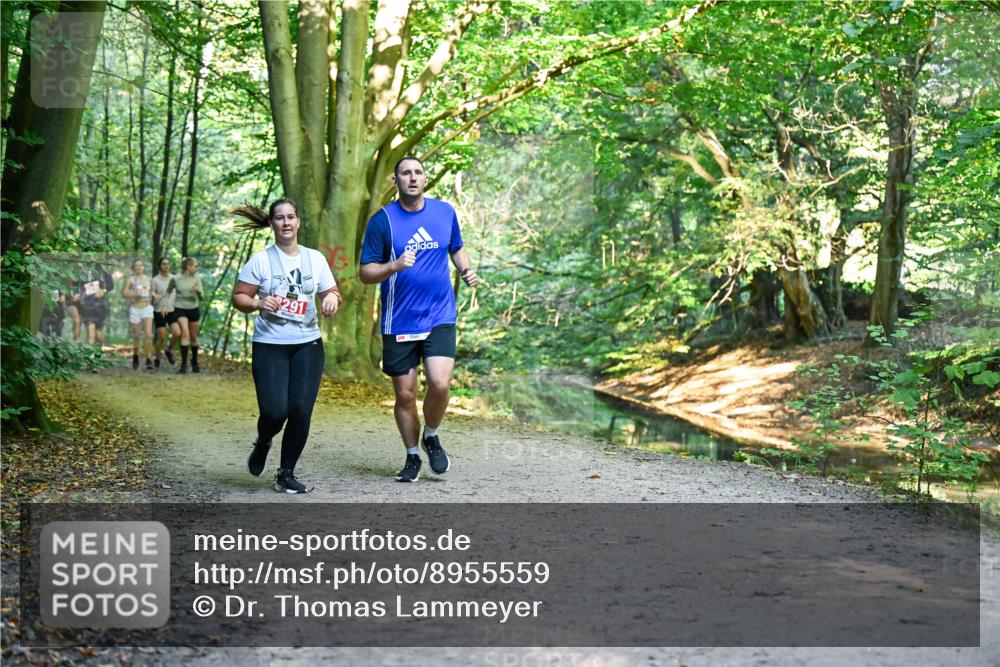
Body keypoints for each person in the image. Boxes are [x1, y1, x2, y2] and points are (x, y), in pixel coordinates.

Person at [359, 156, 479, 482]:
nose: (412, 178)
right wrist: (393, 266)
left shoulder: (444, 213)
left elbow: (457, 247)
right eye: (405, 173)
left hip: (440, 314)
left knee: (440, 383)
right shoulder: (382, 221)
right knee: (406, 394)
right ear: (395, 181)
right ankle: (412, 456)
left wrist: (465, 268)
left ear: (425, 179)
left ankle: (432, 435)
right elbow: (366, 272)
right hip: (399, 320)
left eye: (418, 173)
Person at [230, 199, 341, 494]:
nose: (286, 223)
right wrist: (257, 302)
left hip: (308, 343)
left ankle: (285, 473)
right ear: (272, 224)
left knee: (301, 411)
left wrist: (331, 298)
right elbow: (239, 296)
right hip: (270, 345)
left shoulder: (315, 259)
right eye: (279, 218)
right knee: (275, 412)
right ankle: (264, 440)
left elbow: (331, 291)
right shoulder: (261, 260)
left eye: (291, 217)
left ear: (298, 221)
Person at [123, 258, 155, 370]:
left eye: (141, 265)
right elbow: (124, 293)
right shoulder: (131, 280)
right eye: (136, 265)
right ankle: (136, 356)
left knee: (148, 334)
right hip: (135, 309)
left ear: (143, 267)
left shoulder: (149, 280)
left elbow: (153, 293)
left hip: (147, 308)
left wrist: (154, 295)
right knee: (137, 336)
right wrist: (133, 294)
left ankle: (149, 359)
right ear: (133, 268)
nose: (139, 267)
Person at [173, 257, 204, 373]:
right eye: (195, 266)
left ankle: (194, 361)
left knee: (194, 337)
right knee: (185, 334)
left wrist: (198, 291)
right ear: (188, 266)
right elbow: (168, 292)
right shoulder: (176, 278)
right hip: (180, 308)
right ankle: (184, 364)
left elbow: (202, 297)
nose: (197, 268)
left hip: (193, 309)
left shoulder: (197, 278)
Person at [77, 261, 113, 349]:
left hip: (100, 306)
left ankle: (101, 350)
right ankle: (90, 359)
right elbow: (75, 284)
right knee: (90, 332)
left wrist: (104, 291)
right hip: (87, 305)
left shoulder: (104, 269)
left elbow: (111, 285)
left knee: (98, 334)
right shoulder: (81, 268)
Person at [151, 257, 180, 367]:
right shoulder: (155, 280)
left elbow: (178, 293)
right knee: (162, 336)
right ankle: (157, 356)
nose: (166, 266)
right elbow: (152, 294)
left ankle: (169, 350)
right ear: (159, 266)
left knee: (177, 333)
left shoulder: (174, 278)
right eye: (163, 264)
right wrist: (154, 296)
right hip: (159, 310)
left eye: (168, 264)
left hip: (172, 309)